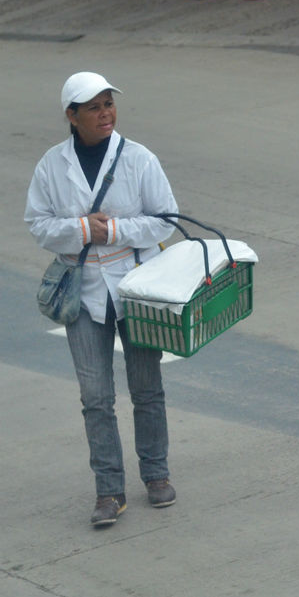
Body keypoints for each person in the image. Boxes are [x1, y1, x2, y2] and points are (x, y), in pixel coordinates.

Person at [25, 72, 179, 527]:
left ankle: (156, 474)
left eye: (108, 103)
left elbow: (165, 219)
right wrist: (78, 229)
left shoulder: (138, 158)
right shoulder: (51, 166)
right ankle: (109, 491)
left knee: (147, 389)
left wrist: (112, 229)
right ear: (72, 117)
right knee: (95, 397)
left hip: (136, 287)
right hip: (85, 291)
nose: (105, 113)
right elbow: (37, 223)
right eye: (93, 107)